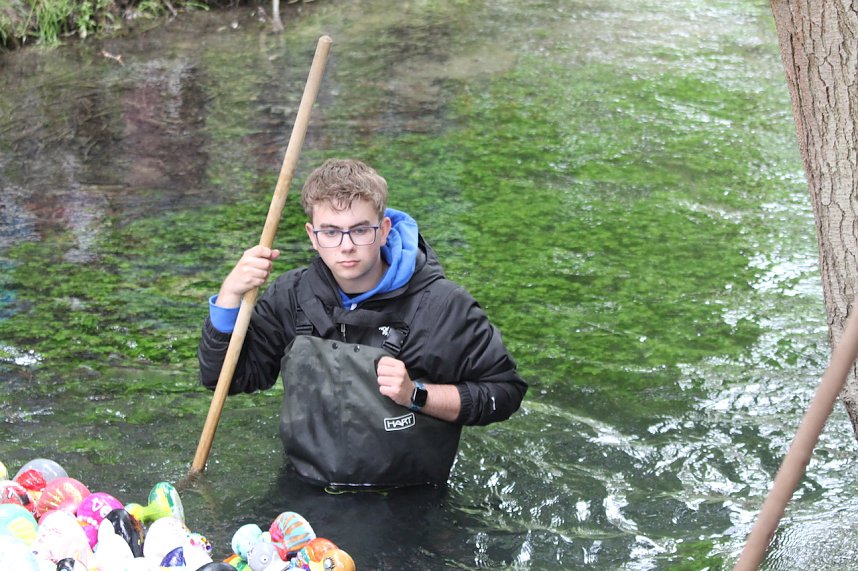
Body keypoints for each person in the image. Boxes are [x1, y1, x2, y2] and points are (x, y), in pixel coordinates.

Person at [198, 158, 527, 488]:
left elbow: (504, 392)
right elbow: (225, 378)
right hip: (305, 488)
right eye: (331, 232)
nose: (346, 246)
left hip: (407, 500)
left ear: (383, 230)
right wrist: (229, 296)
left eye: (360, 230)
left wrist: (416, 394)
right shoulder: (292, 296)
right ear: (313, 236)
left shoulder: (443, 306)